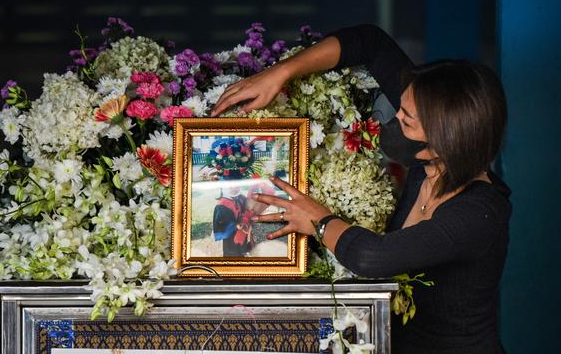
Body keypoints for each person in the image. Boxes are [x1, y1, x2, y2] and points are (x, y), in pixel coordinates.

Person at [212, 24, 510, 354]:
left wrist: (318, 219)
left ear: (445, 139)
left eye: (406, 119)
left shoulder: (479, 213)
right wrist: (279, 73)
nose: (396, 117)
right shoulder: (433, 156)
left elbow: (372, 257)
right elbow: (370, 43)